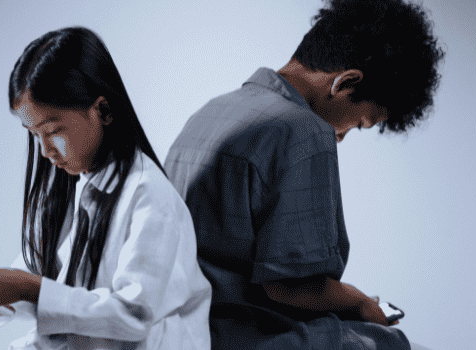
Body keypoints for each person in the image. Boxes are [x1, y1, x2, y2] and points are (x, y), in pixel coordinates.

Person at [163, 0, 444, 349]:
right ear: (345, 84)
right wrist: (360, 302)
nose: (341, 136)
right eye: (357, 124)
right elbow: (289, 287)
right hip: (240, 334)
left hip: (180, 329)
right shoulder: (303, 130)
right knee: (394, 342)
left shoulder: (212, 111)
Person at [0, 27, 212, 350]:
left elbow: (131, 315)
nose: (45, 151)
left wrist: (31, 289)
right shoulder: (72, 193)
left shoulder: (149, 196)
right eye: (33, 134)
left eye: (52, 131)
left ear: (103, 111)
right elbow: (52, 294)